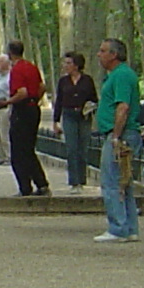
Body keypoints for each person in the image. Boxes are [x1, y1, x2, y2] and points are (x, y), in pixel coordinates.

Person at [93, 38, 142, 243]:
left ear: (114, 54)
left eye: (103, 50)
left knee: (111, 182)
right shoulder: (117, 75)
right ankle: (129, 226)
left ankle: (118, 228)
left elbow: (123, 107)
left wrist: (115, 135)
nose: (99, 54)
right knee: (124, 181)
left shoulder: (121, 75)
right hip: (122, 133)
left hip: (121, 134)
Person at [1, 41, 51, 197]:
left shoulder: (16, 70)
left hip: (21, 110)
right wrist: (36, 99)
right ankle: (41, 183)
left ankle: (25, 186)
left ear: (10, 54)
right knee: (28, 149)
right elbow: (42, 86)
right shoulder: (31, 67)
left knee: (17, 151)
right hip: (33, 110)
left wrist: (7, 102)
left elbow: (21, 92)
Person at [54, 52, 97, 190]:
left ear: (76, 65)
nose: (66, 66)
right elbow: (59, 101)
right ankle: (74, 181)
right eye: (65, 63)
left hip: (83, 116)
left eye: (68, 63)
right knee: (71, 148)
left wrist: (90, 107)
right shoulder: (63, 81)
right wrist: (56, 121)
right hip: (69, 114)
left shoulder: (87, 80)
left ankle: (82, 179)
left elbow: (94, 99)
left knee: (82, 149)